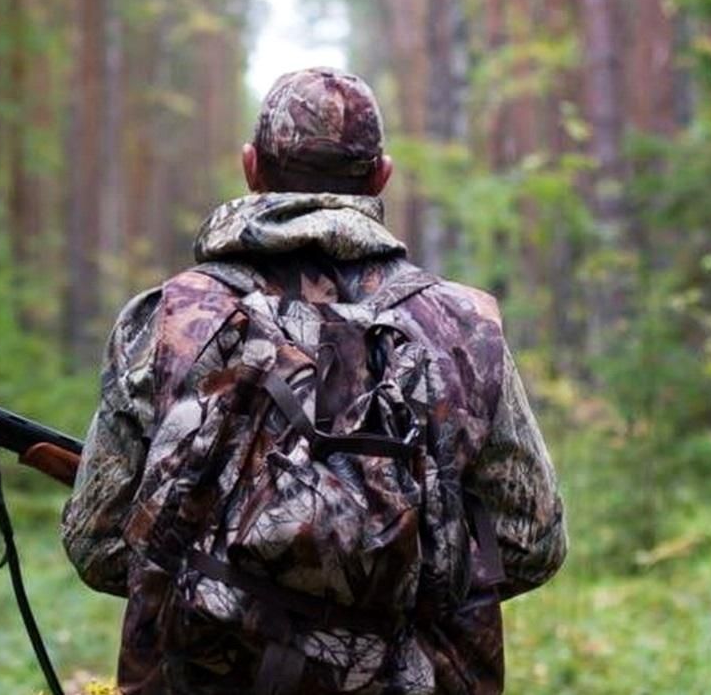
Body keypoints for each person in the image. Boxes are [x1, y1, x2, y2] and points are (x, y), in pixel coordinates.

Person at [60, 67, 567, 694]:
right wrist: (393, 589)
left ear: (252, 167)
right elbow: (532, 542)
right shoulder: (464, 325)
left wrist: (232, 592)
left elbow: (97, 544)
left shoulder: (168, 320)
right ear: (381, 175)